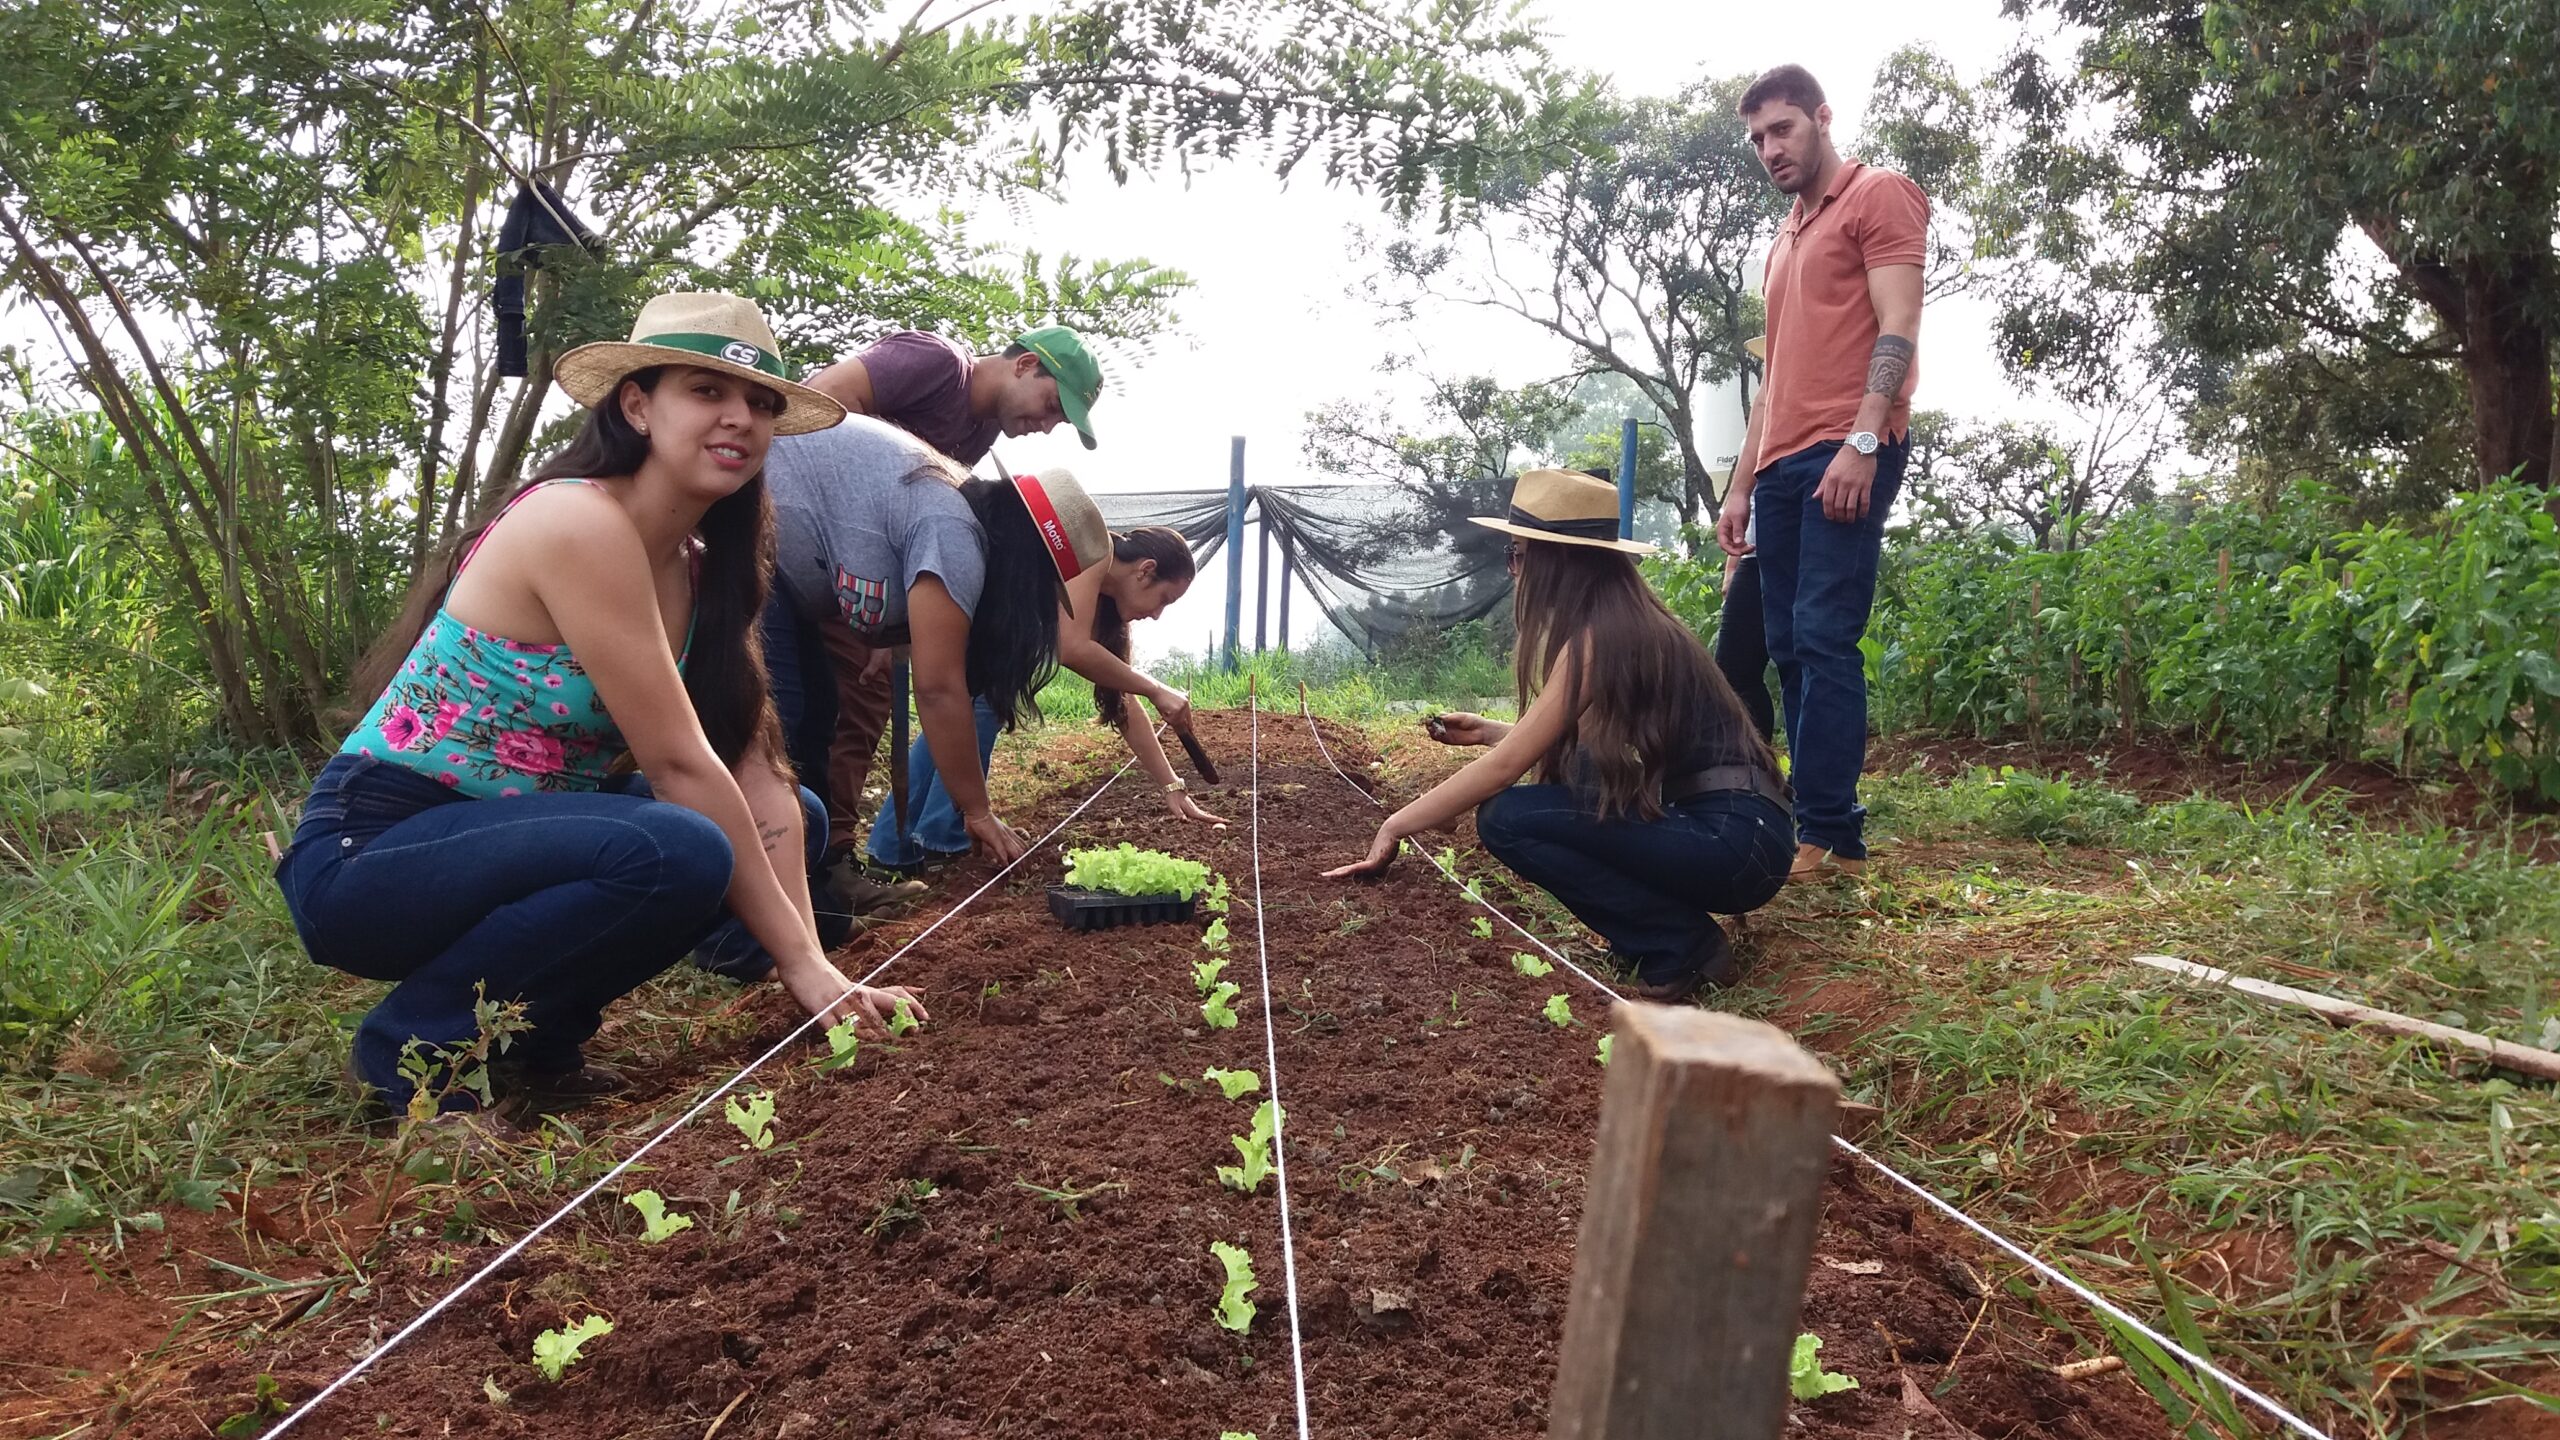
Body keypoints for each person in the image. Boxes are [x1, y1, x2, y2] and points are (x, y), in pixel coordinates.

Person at [275, 292, 926, 1117]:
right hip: (375, 852)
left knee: (788, 813)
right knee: (680, 846)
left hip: (513, 834)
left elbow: (752, 770)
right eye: (707, 391)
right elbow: (679, 764)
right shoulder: (577, 519)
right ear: (637, 406)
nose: (740, 418)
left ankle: (533, 1039)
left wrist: (817, 971)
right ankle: (409, 1058)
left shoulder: (702, 566)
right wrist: (801, 966)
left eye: (762, 403)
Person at [1326, 469, 1792, 1002]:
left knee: (1507, 818)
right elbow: (1577, 744)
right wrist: (1492, 733)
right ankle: (1660, 937)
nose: (1514, 570)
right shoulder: (1625, 622)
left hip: (1733, 843)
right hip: (1747, 835)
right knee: (1579, 778)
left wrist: (1395, 825)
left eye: (1518, 555)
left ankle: (1679, 945)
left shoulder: (1601, 638)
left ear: (1559, 561)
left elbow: (1506, 770)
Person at [793, 328, 1110, 914]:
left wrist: (882, 616)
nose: (1047, 426)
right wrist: (977, 811)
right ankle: (766, 912)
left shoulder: (976, 443)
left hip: (836, 572)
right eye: (1051, 405)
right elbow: (939, 688)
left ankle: (822, 877)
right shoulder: (937, 365)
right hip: (780, 544)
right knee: (791, 721)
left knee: (829, 717)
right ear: (1026, 365)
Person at [1718, 64, 1927, 881]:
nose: (1770, 149)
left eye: (1783, 129)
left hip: (1846, 448)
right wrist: (1740, 486)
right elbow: (1774, 378)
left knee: (1822, 636)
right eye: (1757, 139)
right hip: (1779, 464)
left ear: (1822, 118)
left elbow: (1899, 323)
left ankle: (1835, 836)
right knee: (1784, 646)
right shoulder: (1785, 239)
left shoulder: (1878, 195)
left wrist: (1863, 441)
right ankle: (1810, 824)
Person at [865, 497, 1220, 869]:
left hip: (985, 637)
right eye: (1164, 599)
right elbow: (1072, 648)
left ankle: (893, 849)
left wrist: (1171, 785)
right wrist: (1157, 689)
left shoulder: (1102, 603)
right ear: (1146, 570)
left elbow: (1122, 700)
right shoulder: (1094, 552)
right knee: (978, 707)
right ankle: (944, 838)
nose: (1158, 615)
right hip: (963, 607)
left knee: (966, 714)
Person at [1715, 337, 1777, 742]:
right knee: (1734, 668)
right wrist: (1732, 567)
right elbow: (1744, 502)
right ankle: (1753, 756)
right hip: (1753, 557)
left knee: (1798, 661)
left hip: (1787, 551)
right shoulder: (1756, 428)